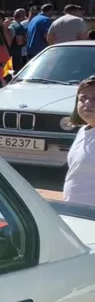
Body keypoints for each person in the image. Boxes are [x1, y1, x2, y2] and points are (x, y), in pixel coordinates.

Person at [62, 77, 95, 206]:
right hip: (75, 211)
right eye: (82, 98)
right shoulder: (83, 130)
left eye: (94, 99)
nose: (87, 103)